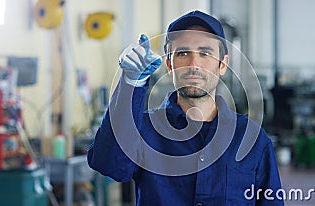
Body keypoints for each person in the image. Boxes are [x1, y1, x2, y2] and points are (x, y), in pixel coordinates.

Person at [88, 10, 284, 205]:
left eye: (205, 53)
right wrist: (130, 84)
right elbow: (108, 165)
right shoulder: (146, 129)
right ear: (170, 65)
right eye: (183, 53)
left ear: (222, 65)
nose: (193, 64)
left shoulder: (251, 138)